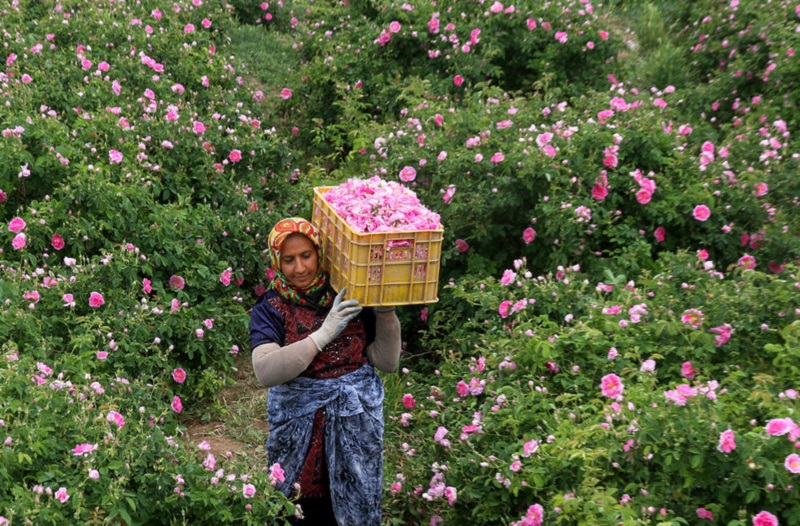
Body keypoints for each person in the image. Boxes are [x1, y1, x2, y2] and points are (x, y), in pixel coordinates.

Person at [250, 217, 402, 526]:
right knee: (299, 508)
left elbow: (386, 362)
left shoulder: (348, 295)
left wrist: (386, 311)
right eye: (288, 260)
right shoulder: (270, 307)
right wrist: (323, 333)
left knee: (352, 508)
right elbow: (265, 370)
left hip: (355, 427)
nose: (300, 268)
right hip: (300, 434)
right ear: (277, 261)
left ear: (320, 253)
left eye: (306, 255)